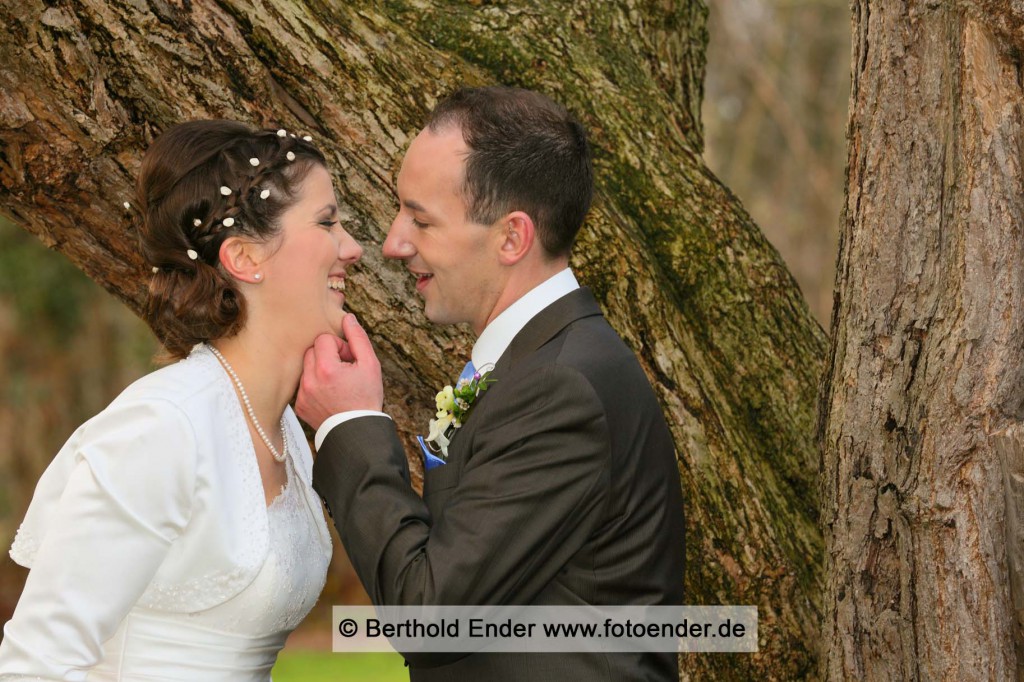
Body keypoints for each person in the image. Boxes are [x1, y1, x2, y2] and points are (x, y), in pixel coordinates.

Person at [297, 86, 686, 680]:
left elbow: (432, 616)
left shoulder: (561, 388)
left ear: (512, 237)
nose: (393, 244)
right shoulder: (540, 364)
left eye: (420, 220)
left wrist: (349, 424)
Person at [0, 120, 362, 679]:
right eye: (327, 222)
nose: (352, 248)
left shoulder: (286, 428)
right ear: (244, 258)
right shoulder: (165, 425)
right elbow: (37, 663)